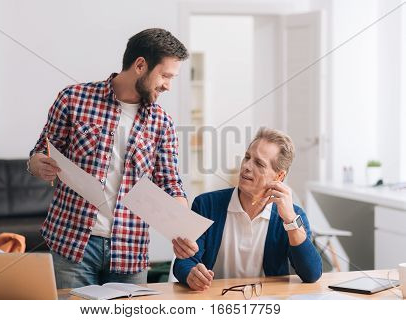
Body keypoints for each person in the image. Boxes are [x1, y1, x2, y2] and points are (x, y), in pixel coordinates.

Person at [28, 28, 198, 288]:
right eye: (165, 75)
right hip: (72, 245)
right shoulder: (74, 99)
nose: (168, 85)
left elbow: (170, 183)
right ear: (140, 65)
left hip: (129, 251)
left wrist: (182, 227)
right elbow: (42, 151)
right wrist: (36, 164)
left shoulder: (162, 122)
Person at [173, 127, 322, 291]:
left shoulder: (293, 216)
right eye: (247, 157)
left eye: (259, 163)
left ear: (279, 176)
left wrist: (290, 221)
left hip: (267, 303)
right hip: (214, 300)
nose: (247, 166)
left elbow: (312, 274)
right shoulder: (206, 204)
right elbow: (184, 261)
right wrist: (191, 274)